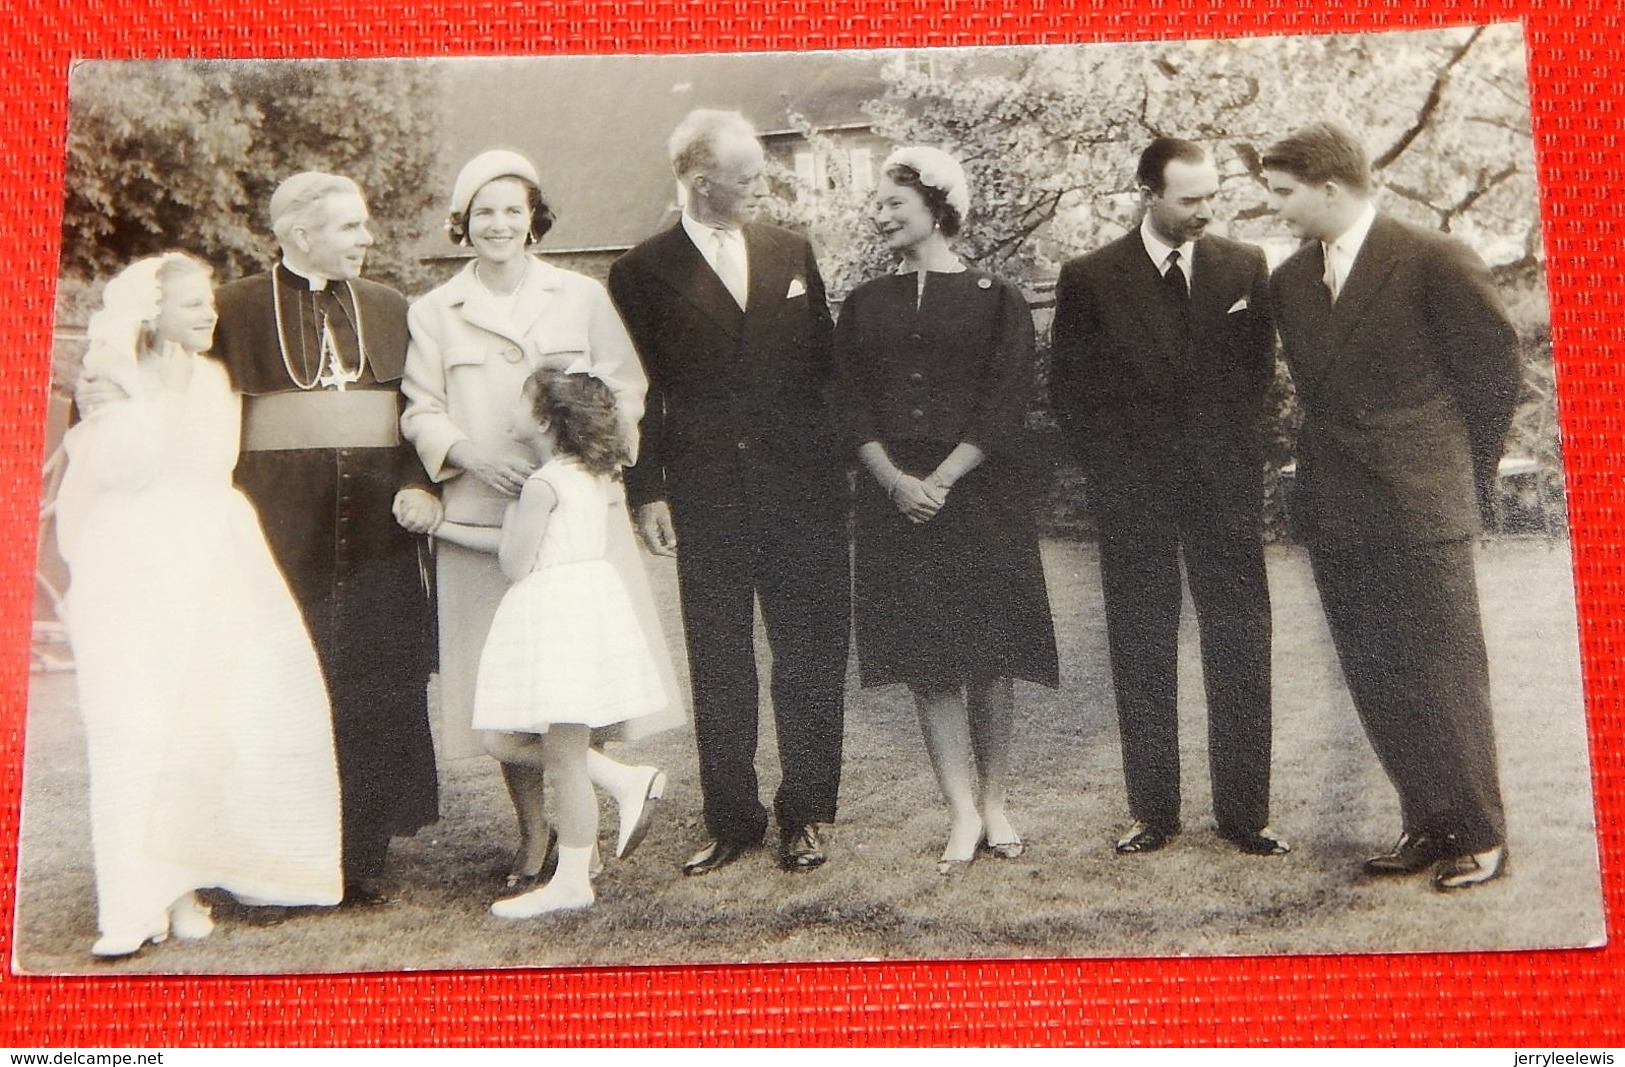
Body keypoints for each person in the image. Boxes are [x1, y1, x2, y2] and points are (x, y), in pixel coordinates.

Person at [402, 150, 677, 885]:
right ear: (462, 224)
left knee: (571, 679)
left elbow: (625, 388)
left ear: (534, 221)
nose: (498, 224)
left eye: (512, 211)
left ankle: (585, 819)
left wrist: (589, 461)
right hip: (482, 511)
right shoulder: (433, 310)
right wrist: (467, 454)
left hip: (575, 514)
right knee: (503, 684)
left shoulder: (579, 296)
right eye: (483, 211)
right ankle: (534, 835)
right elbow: (419, 408)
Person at [57, 254, 341, 958]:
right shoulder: (110, 379)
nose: (209, 312)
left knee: (206, 722)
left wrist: (157, 400)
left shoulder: (215, 379)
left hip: (214, 555)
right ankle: (133, 902)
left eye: (209, 300)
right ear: (151, 312)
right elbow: (127, 467)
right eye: (192, 303)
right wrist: (130, 390)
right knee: (134, 722)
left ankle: (185, 888)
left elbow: (211, 461)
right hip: (131, 561)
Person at [1261, 122, 1518, 889]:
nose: (1274, 207)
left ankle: (1479, 833)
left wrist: (1456, 471)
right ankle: (1427, 820)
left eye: (1283, 192)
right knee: (1375, 669)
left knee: (1442, 667)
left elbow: (1492, 371)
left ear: (1329, 187)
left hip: (1420, 499)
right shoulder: (1289, 280)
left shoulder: (1432, 257)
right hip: (1337, 502)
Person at [608, 109, 851, 876]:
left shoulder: (789, 250)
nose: (760, 186)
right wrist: (646, 492)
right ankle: (730, 817)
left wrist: (842, 471)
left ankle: (806, 812)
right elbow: (634, 394)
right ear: (700, 181)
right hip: (706, 491)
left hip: (801, 489)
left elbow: (823, 371)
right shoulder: (641, 270)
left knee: (808, 653)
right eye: (747, 176)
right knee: (719, 659)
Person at [1050, 138, 1288, 858]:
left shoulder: (1243, 265)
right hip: (1135, 498)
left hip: (1225, 491)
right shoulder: (1090, 277)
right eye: (1189, 201)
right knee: (1141, 644)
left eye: (1210, 197)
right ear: (1146, 192)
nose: (1203, 213)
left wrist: (1229, 454)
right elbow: (1070, 393)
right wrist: (1118, 476)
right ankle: (1152, 811)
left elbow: (1255, 375)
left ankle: (1244, 814)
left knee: (1241, 641)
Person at [211, 173, 441, 906]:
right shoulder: (233, 309)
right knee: (277, 686)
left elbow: (419, 409)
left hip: (377, 527)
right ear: (301, 234)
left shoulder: (389, 307)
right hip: (279, 527)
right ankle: (274, 854)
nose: (367, 238)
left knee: (375, 681)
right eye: (351, 227)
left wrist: (420, 481)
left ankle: (361, 853)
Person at [833, 146, 1058, 874]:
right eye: (880, 204)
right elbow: (848, 401)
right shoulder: (864, 303)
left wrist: (944, 477)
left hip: (981, 499)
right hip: (893, 499)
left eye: (894, 202)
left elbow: (1007, 398)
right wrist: (895, 480)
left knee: (991, 656)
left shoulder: (999, 297)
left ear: (936, 205)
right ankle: (959, 811)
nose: (881, 213)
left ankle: (995, 804)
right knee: (926, 657)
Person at [433, 369, 669, 917]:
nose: (511, 412)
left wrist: (515, 509)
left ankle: (572, 881)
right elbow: (529, 543)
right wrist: (440, 528)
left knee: (561, 759)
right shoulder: (591, 476)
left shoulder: (541, 486)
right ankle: (623, 778)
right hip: (585, 604)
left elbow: (516, 561)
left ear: (542, 421)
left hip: (557, 614)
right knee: (505, 739)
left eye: (521, 402)